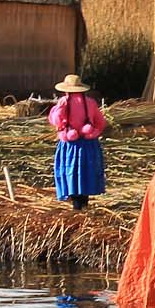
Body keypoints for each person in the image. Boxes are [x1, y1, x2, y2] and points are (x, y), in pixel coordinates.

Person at [49, 73, 107, 209]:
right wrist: (93, 132)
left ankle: (76, 205)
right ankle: (84, 203)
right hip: (89, 144)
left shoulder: (63, 102)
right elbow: (101, 122)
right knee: (86, 172)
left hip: (70, 145)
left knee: (71, 172)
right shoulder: (91, 102)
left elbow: (56, 121)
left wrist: (60, 108)